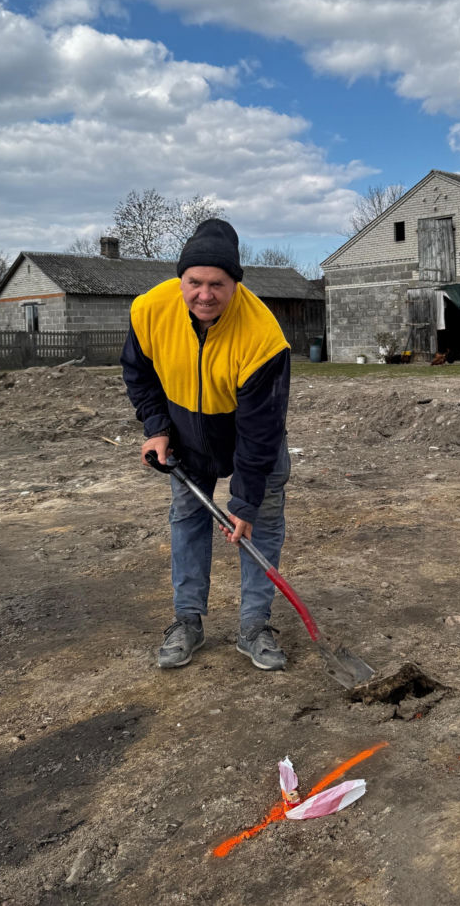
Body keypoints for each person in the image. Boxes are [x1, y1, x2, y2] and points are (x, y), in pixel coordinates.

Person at [120, 218, 291, 671]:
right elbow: (139, 374)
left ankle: (255, 625)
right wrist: (156, 428)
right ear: (181, 280)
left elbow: (261, 427)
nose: (205, 294)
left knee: (262, 524)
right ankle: (187, 622)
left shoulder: (263, 335)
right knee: (188, 519)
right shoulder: (150, 310)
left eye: (218, 284)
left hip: (251, 438)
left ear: (235, 284)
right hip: (184, 436)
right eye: (194, 282)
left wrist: (246, 501)